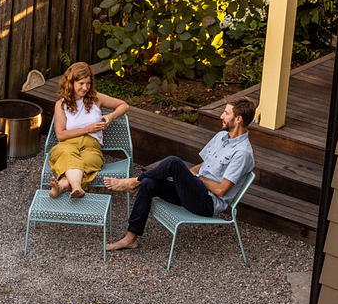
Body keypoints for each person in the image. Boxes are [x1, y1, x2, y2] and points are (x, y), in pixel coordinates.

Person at [103, 97, 256, 252]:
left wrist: (196, 177)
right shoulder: (221, 136)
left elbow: (221, 190)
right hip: (193, 191)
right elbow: (204, 164)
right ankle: (130, 238)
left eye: (226, 113)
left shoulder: (242, 153)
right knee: (148, 184)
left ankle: (134, 181)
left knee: (174, 162)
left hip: (206, 202)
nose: (221, 116)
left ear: (238, 119)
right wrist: (187, 175)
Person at [48, 62, 129, 198]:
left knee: (89, 160)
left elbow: (124, 105)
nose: (85, 88)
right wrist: (87, 129)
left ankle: (63, 185)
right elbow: (60, 135)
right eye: (81, 83)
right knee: (67, 153)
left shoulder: (96, 99)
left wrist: (110, 116)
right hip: (68, 144)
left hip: (92, 147)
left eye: (88, 83)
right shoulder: (61, 105)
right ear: (71, 82)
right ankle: (76, 187)